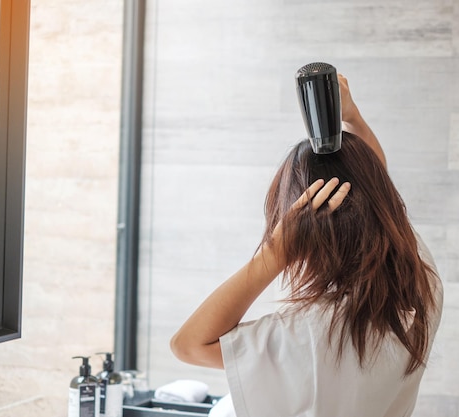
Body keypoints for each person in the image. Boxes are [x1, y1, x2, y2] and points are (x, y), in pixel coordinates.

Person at [170, 74, 444, 417]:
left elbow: (188, 345)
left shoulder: (311, 334)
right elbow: (377, 189)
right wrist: (352, 117)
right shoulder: (419, 283)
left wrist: (276, 253)